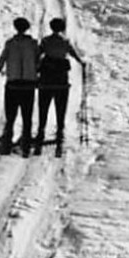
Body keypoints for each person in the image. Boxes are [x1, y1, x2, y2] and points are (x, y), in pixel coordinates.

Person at [34, 18, 85, 156]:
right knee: (60, 106)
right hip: (61, 79)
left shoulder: (45, 41)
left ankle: (41, 130)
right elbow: (73, 54)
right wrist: (81, 62)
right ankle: (60, 131)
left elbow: (37, 56)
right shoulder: (65, 42)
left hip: (46, 78)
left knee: (43, 105)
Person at [0, 17, 40, 156]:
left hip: (12, 84)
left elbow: (1, 61)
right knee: (27, 116)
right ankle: (25, 146)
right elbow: (38, 61)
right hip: (28, 84)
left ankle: (6, 144)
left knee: (11, 115)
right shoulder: (33, 44)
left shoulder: (10, 43)